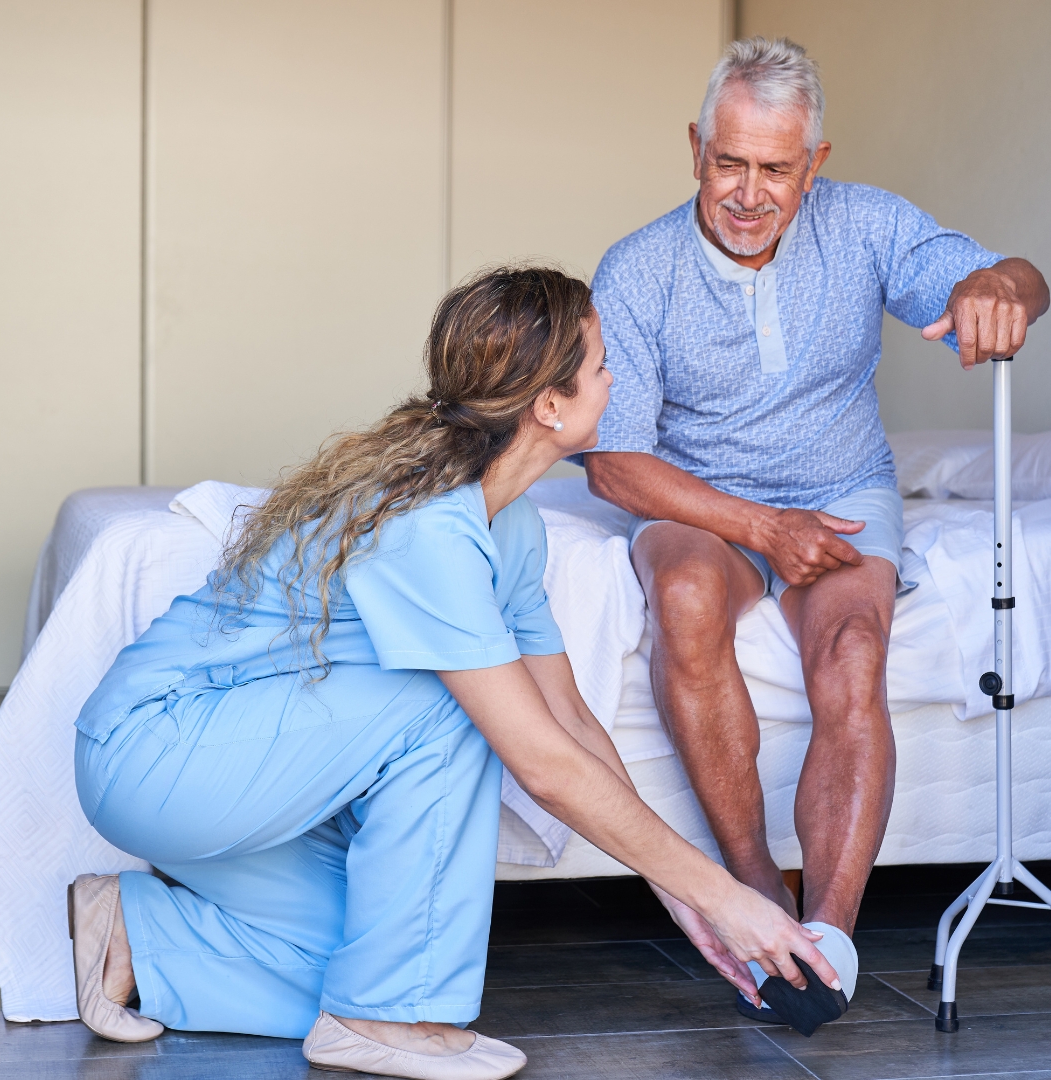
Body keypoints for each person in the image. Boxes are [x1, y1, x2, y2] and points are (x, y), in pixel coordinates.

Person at [69, 267, 840, 1079]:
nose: (617, 377)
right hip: (157, 757)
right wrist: (730, 897)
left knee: (377, 949)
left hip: (248, 782)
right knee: (463, 710)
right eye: (604, 361)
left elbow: (573, 723)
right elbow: (540, 760)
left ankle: (135, 933)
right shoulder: (427, 526)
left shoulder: (511, 528)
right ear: (549, 405)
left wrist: (691, 902)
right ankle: (384, 1022)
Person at [583, 37, 1050, 1027]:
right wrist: (762, 525)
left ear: (817, 165)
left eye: (777, 169)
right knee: (684, 595)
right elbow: (619, 465)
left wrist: (1008, 285)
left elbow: (1007, 277)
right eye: (728, 162)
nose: (748, 194)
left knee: (854, 645)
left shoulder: (869, 225)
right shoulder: (635, 269)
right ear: (696, 148)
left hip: (841, 487)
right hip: (699, 499)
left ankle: (827, 946)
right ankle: (759, 903)